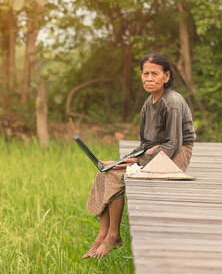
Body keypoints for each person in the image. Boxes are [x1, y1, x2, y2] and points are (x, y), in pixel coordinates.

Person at [82, 53, 196, 259]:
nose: (149, 78)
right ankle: (102, 234)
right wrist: (122, 161)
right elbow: (145, 144)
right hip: (155, 151)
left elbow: (173, 144)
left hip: (177, 154)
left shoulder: (172, 102)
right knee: (106, 172)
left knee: (118, 175)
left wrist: (139, 162)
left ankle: (114, 235)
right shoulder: (148, 103)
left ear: (167, 76)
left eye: (155, 74)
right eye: (146, 73)